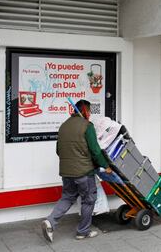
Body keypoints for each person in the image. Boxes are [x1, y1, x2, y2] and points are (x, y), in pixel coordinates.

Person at [41, 99, 112, 243]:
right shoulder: (87, 126)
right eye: (90, 111)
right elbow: (95, 150)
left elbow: (58, 150)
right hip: (84, 172)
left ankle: (50, 222)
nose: (90, 114)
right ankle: (83, 232)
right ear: (85, 110)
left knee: (67, 197)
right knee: (88, 199)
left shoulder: (63, 126)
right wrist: (106, 166)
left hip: (66, 172)